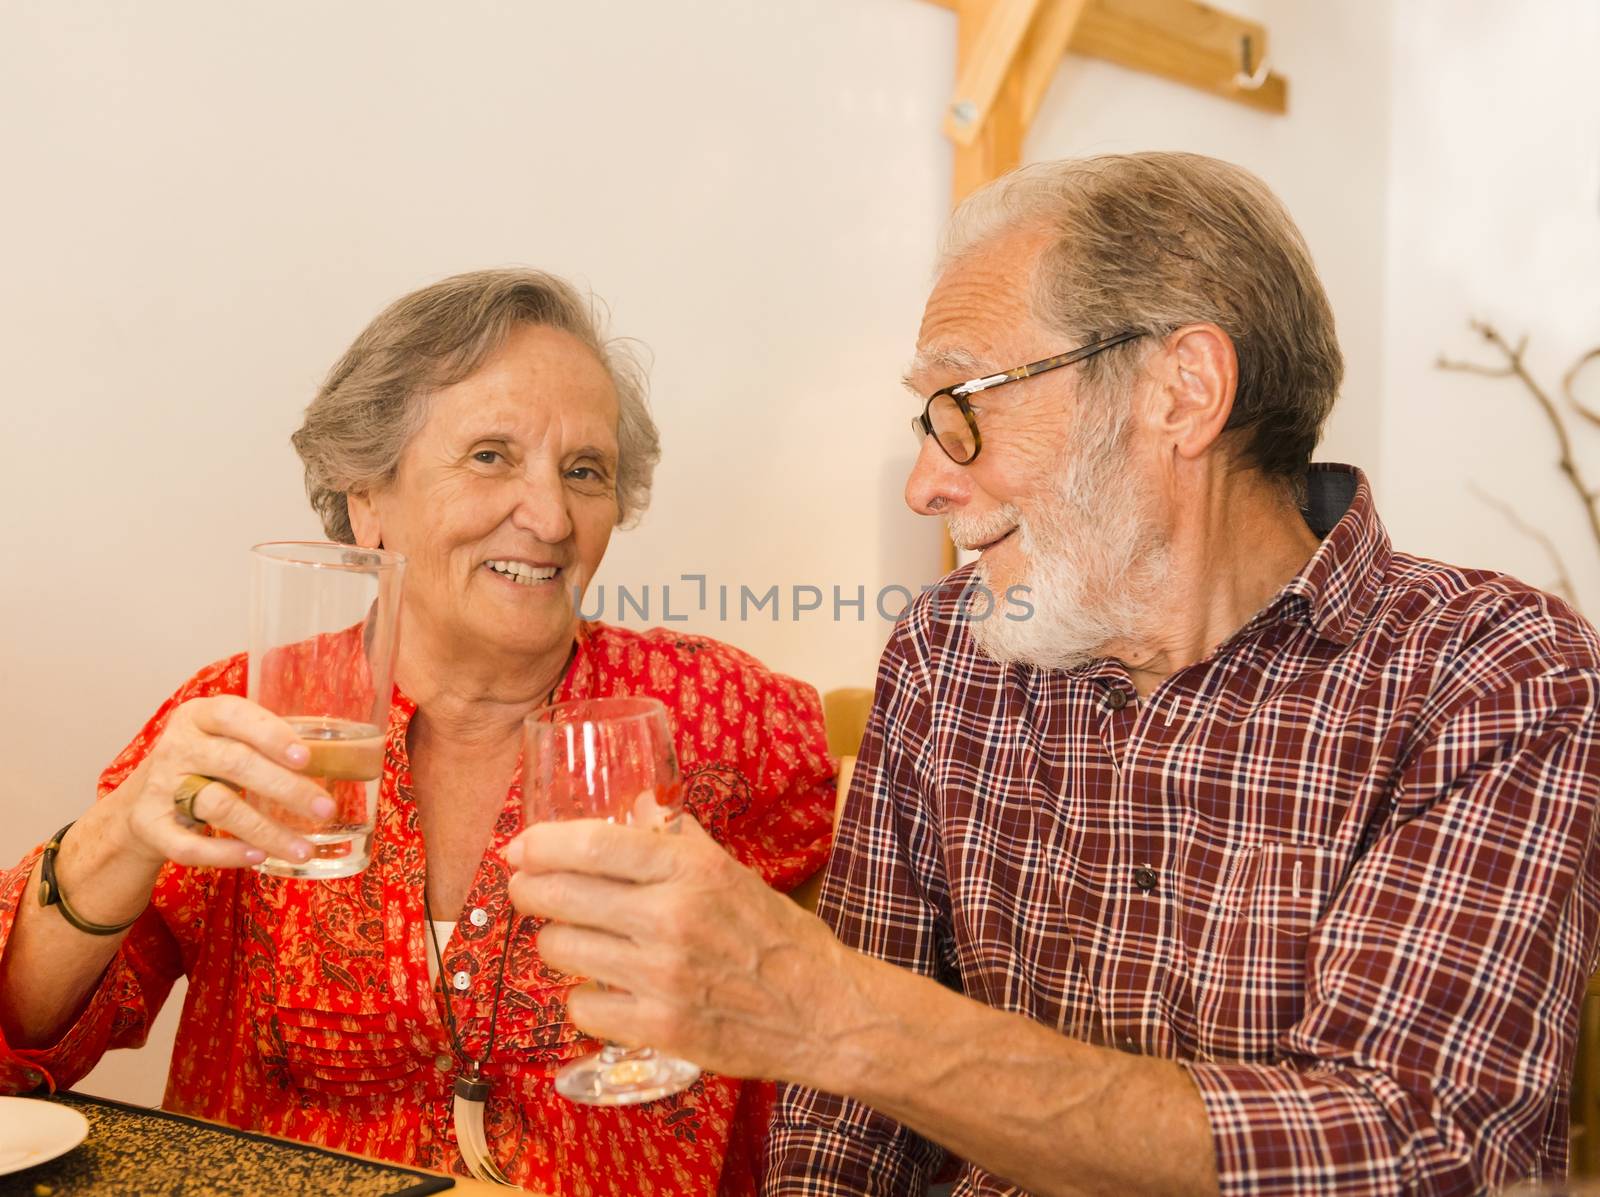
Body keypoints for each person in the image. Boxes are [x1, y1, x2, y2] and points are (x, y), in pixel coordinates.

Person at [505, 153, 1600, 1195]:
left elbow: (1418, 1154)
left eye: (961, 408)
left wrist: (832, 1008)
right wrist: (834, 1036)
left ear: (1181, 391)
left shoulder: (1490, 670)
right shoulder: (945, 653)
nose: (925, 484)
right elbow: (846, 1126)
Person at [0, 268, 835, 1195]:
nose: (552, 517)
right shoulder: (249, 718)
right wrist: (121, 829)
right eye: (490, 455)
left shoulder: (718, 713)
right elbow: (23, 1040)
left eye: (584, 472)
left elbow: (890, 962)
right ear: (369, 499)